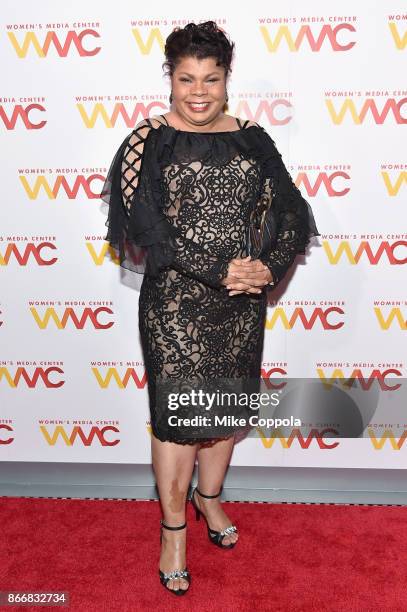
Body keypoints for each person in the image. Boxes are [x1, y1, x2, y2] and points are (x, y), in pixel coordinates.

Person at [101, 21, 320, 595]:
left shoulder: (253, 137)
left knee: (224, 409)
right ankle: (174, 529)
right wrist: (220, 269)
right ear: (169, 79)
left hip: (243, 301)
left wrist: (268, 267)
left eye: (211, 79)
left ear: (227, 79)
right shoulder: (145, 142)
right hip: (176, 303)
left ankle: (210, 499)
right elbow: (149, 228)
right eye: (186, 79)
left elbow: (293, 213)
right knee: (178, 420)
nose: (198, 91)